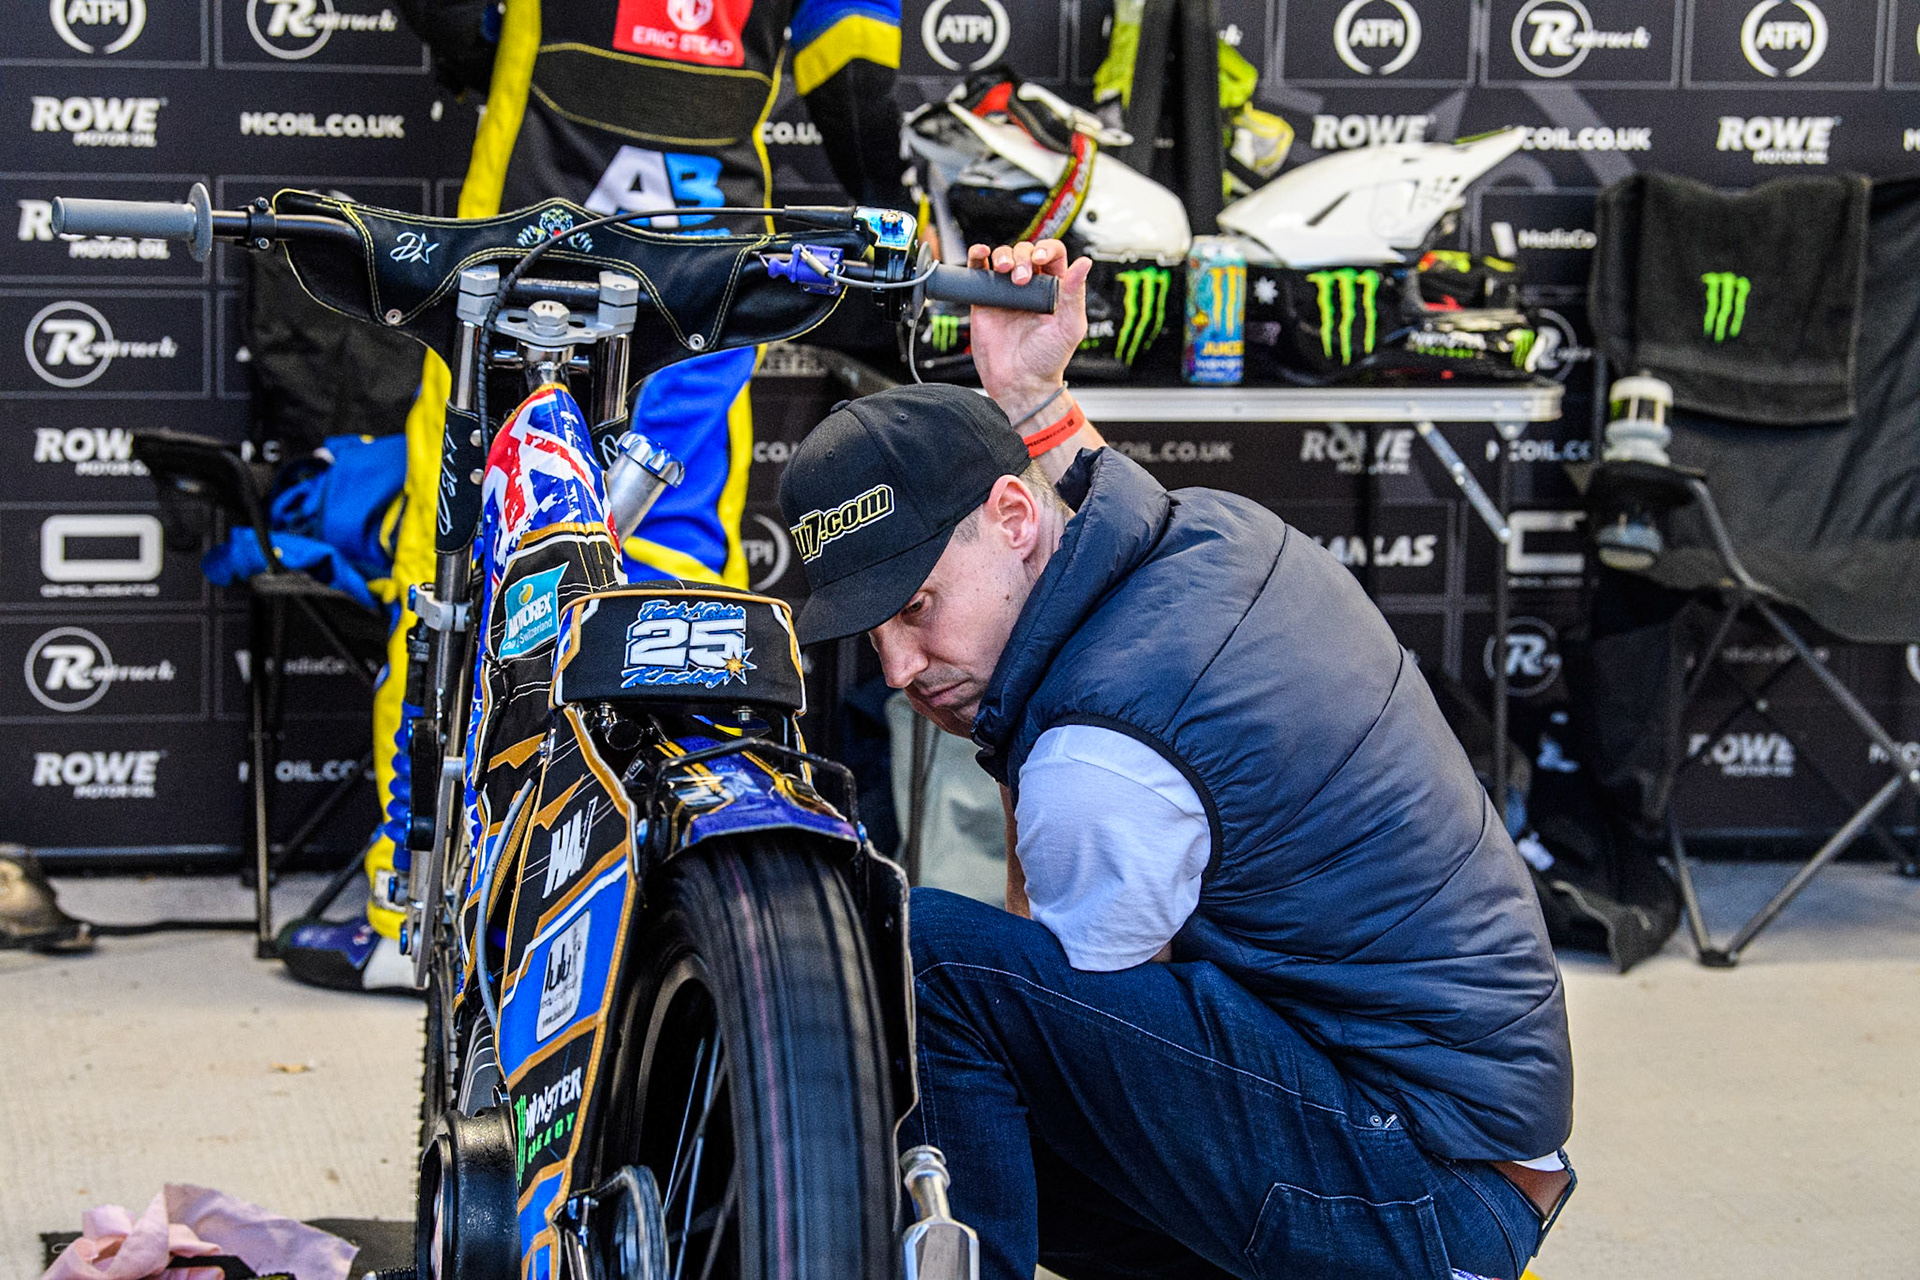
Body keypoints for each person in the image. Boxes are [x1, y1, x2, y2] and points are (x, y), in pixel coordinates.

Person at [776, 239, 1576, 1280]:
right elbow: (1093, 500)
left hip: (1425, 1201)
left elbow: (1061, 1030)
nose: (897, 665)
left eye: (917, 606)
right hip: (1472, 1148)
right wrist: (1029, 392)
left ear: (1013, 518)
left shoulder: (1095, 761)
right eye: (871, 630)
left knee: (932, 971)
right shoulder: (1213, 537)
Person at [281, 0, 911, 989]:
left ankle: (414, 915)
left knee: (468, 563)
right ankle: (657, 917)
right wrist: (892, 223)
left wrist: (475, 52)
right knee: (678, 568)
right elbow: (858, 82)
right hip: (708, 260)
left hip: (533, 232)